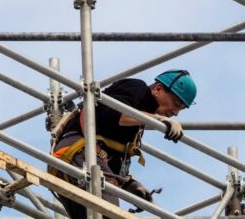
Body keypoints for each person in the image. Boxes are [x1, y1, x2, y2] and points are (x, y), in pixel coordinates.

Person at [49, 69, 196, 218]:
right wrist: (158, 120)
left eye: (181, 108)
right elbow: (116, 114)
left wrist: (128, 184)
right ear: (158, 89)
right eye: (176, 104)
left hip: (76, 158)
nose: (176, 113)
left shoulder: (137, 122)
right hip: (77, 151)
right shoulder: (138, 89)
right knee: (109, 213)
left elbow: (111, 156)